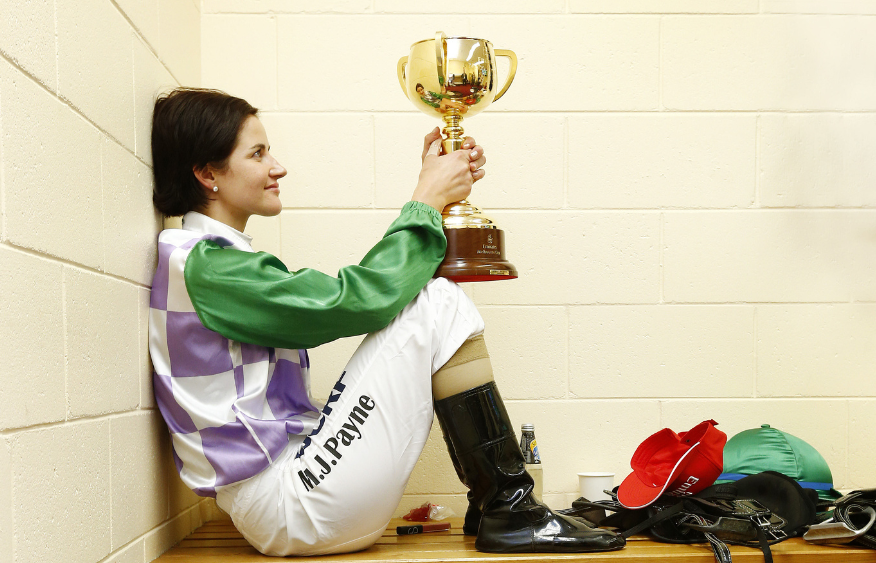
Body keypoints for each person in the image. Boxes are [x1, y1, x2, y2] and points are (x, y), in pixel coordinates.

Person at [148, 88, 624, 556]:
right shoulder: (204, 266)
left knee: (436, 300)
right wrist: (427, 199)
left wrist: (430, 193)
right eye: (257, 153)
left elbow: (362, 298)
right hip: (289, 505)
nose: (278, 167)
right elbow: (356, 302)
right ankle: (509, 508)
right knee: (438, 301)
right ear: (207, 172)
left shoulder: (209, 259)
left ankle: (498, 502)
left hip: (293, 493)